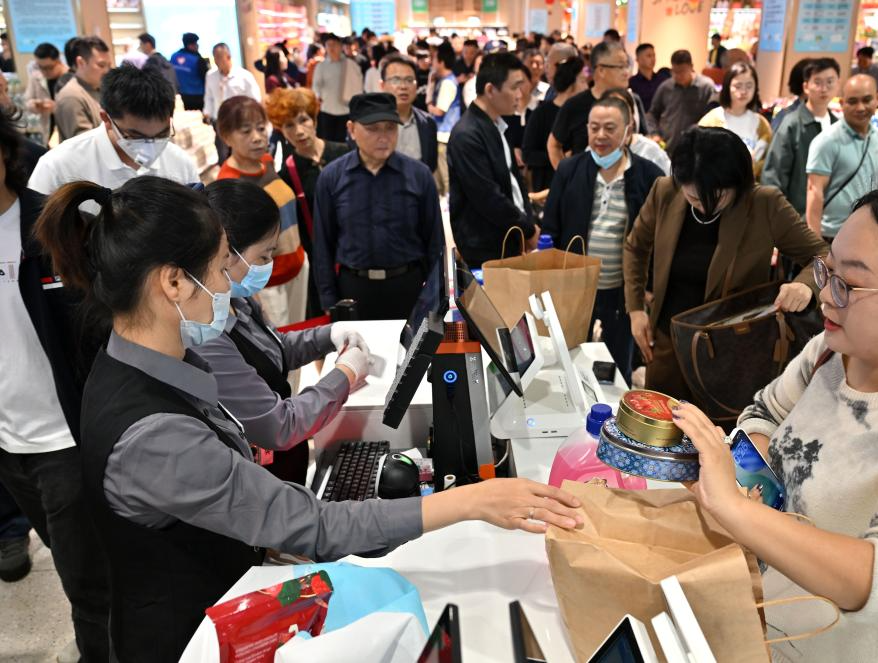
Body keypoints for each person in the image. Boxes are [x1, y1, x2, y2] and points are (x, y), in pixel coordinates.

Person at [35, 175, 584, 663]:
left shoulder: (144, 356)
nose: (227, 286)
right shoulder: (154, 434)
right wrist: (472, 502)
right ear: (173, 283)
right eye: (220, 268)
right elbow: (315, 524)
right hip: (187, 634)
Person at [672, 184, 878, 661]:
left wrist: (736, 509)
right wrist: (743, 476)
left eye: (848, 284)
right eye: (826, 271)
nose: (824, 296)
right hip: (768, 629)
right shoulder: (834, 353)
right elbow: (766, 413)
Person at [0, 107, 111, 662]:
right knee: (73, 561)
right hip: (7, 441)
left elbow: (103, 324)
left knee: (86, 581)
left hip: (64, 437)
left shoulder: (54, 226)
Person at [623, 127, 829, 397]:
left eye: (717, 197)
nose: (704, 207)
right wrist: (635, 309)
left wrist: (805, 286)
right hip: (668, 342)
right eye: (693, 197)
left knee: (719, 422)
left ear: (738, 183)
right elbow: (635, 247)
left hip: (733, 348)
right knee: (661, 414)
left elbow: (822, 256)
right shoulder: (665, 191)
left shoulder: (764, 204)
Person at [197, 179, 361, 485]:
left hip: (288, 463)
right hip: (259, 476)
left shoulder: (237, 299)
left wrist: (328, 336)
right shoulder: (207, 334)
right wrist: (345, 374)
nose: (268, 265)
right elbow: (279, 425)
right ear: (226, 253)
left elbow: (274, 348)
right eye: (263, 257)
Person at [541, 95, 663, 381]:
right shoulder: (569, 170)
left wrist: (648, 287)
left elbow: (658, 239)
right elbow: (551, 227)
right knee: (568, 358)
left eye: (609, 128)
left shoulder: (649, 176)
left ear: (628, 131)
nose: (600, 136)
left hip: (621, 290)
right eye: (594, 127)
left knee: (616, 366)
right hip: (575, 287)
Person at [314, 93, 442, 319]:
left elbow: (435, 242)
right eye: (372, 129)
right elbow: (323, 243)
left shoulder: (419, 175)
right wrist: (328, 297)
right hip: (354, 288)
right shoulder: (332, 177)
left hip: (408, 286)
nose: (383, 137)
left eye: (390, 128)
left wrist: (436, 295)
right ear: (352, 129)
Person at [30, 64, 198, 194]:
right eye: (135, 136)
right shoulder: (59, 167)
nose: (151, 146)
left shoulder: (179, 163)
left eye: (162, 134)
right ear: (106, 118)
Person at [217, 96, 306, 328]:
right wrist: (251, 295)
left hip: (297, 265)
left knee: (299, 335)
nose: (257, 137)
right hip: (268, 284)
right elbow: (232, 247)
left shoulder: (266, 162)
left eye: (260, 128)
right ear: (226, 136)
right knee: (280, 344)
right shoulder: (229, 182)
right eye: (246, 131)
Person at [267, 87, 351, 318]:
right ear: (281, 130)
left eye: (303, 120)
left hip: (354, 256)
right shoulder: (286, 175)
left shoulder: (345, 154)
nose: (299, 131)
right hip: (319, 264)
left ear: (315, 119)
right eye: (289, 125)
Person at [449, 52, 539, 267]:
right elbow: (488, 197)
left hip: (509, 237)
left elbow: (514, 181)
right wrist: (527, 228)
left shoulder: (496, 124)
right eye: (514, 87)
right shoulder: (467, 134)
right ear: (490, 90)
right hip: (485, 246)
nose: (519, 94)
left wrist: (527, 223)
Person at [805, 74, 878, 240]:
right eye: (852, 101)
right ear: (842, 103)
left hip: (867, 233)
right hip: (832, 235)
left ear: (877, 99)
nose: (860, 107)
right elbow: (814, 192)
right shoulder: (827, 141)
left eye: (867, 100)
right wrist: (816, 245)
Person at [761, 58, 840, 217]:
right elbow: (773, 176)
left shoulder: (838, 126)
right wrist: (781, 216)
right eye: (817, 82)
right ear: (806, 86)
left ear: (838, 85)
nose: (824, 89)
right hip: (795, 217)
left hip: (829, 218)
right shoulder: (792, 124)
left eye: (830, 82)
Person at [549, 41, 633, 168]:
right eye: (620, 67)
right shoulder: (575, 105)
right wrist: (567, 175)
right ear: (601, 70)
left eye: (627, 66)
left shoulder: (630, 101)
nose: (626, 72)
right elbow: (553, 145)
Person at [523, 56, 587, 192]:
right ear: (571, 85)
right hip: (547, 186)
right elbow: (528, 154)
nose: (586, 87)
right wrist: (559, 156)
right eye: (582, 81)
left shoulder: (584, 113)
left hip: (578, 185)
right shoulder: (541, 113)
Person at [697, 61, 772, 177]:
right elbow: (698, 156)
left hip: (750, 185)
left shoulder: (761, 124)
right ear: (727, 87)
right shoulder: (712, 120)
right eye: (738, 86)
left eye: (749, 86)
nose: (743, 92)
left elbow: (767, 161)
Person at [646, 49, 716, 155]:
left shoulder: (706, 87)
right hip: (667, 147)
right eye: (674, 71)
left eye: (682, 71)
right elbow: (652, 114)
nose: (678, 76)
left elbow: (713, 117)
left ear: (691, 67)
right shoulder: (665, 87)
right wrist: (654, 133)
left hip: (695, 149)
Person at [204, 43, 262, 164]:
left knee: (241, 149)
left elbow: (255, 98)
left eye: (219, 58)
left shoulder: (244, 76)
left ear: (228, 57)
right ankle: (225, 173)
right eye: (215, 58)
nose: (216, 61)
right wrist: (207, 112)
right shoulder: (210, 76)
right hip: (219, 119)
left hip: (239, 120)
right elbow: (209, 96)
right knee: (222, 152)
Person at [380, 53, 438, 172]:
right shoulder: (370, 125)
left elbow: (430, 167)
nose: (403, 86)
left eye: (409, 80)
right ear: (382, 85)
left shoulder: (428, 123)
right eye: (395, 80)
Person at [601, 87, 671, 176]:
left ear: (632, 116)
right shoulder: (595, 150)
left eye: (623, 109)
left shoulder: (651, 150)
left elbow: (670, 181)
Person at [53, 36, 110, 142]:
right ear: (81, 62)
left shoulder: (99, 88)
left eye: (109, 65)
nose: (106, 71)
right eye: (101, 65)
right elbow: (84, 144)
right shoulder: (71, 97)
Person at [312, 33, 362, 142]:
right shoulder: (321, 66)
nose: (331, 48)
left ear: (340, 46)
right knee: (328, 142)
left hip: (346, 110)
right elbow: (316, 85)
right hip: (327, 110)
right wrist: (318, 96)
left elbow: (358, 86)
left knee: (345, 143)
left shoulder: (351, 65)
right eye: (328, 45)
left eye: (334, 44)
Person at [428, 41, 461, 197]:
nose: (432, 63)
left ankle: (449, 204)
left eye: (434, 59)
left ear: (441, 62)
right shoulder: (445, 80)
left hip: (444, 135)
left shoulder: (448, 83)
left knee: (445, 175)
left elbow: (439, 111)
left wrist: (428, 105)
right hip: (442, 134)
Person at [24, 43, 69, 142]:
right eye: (40, 67)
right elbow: (27, 101)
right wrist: (34, 105)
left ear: (58, 61)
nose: (45, 71)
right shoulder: (36, 77)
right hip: (47, 130)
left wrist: (56, 108)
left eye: (49, 67)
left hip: (67, 130)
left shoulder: (70, 78)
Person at [770, 58, 813, 132]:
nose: (824, 88)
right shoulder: (786, 116)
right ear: (804, 85)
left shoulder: (826, 116)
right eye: (817, 82)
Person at [171, 32, 208, 111]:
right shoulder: (198, 60)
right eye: (196, 43)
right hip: (198, 97)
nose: (197, 46)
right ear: (190, 45)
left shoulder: (174, 57)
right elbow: (206, 78)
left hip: (181, 96)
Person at [628, 43, 670, 113]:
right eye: (649, 56)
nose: (653, 59)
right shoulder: (632, 82)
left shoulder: (662, 80)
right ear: (638, 59)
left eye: (654, 55)